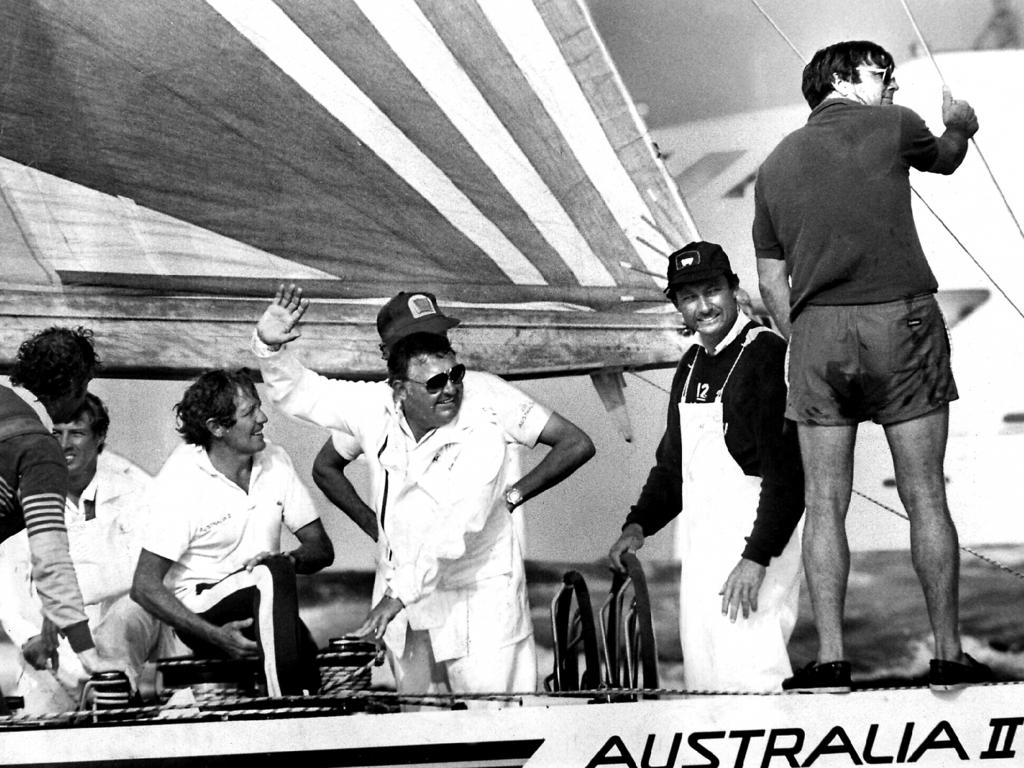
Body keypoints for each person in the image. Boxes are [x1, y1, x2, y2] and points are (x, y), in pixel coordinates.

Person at [753, 40, 987, 692]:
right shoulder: (896, 125)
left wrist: (802, 335)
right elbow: (945, 159)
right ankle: (946, 653)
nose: (892, 88)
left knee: (824, 504)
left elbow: (772, 281)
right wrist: (960, 124)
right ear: (847, 77)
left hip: (816, 333)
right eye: (884, 76)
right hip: (898, 323)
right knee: (926, 495)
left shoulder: (772, 167)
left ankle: (829, 662)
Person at [252, 286, 594, 705]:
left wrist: (512, 496)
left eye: (456, 374)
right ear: (398, 386)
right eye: (433, 381)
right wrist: (270, 347)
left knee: (497, 721)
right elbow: (305, 394)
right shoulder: (374, 405)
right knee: (419, 720)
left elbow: (453, 531)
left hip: (478, 601)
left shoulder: (481, 422)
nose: (450, 388)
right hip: (407, 607)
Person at [607, 242, 804, 693]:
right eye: (689, 297)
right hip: (702, 550)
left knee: (753, 673)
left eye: (713, 290)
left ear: (734, 290)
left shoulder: (766, 355)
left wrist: (755, 559)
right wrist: (638, 525)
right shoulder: (691, 364)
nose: (704, 306)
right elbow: (673, 466)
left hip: (756, 543)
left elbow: (788, 475)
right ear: (677, 306)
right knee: (706, 679)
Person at [311, 291, 596, 545]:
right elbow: (325, 467)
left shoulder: (486, 390)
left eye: (438, 335)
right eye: (419, 342)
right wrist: (376, 528)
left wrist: (511, 498)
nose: (435, 346)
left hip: (486, 577)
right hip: (407, 577)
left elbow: (575, 443)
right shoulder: (378, 405)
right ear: (390, 353)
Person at [130, 369, 333, 696]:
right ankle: (286, 711)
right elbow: (144, 586)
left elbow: (321, 548)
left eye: (259, 407)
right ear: (217, 427)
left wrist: (286, 561)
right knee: (274, 587)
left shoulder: (276, 460)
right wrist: (216, 636)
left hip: (262, 596)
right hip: (200, 611)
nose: (263, 418)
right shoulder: (181, 480)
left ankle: (298, 716)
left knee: (306, 658)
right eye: (250, 412)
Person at [0, 393, 156, 712]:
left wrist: (69, 604)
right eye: (56, 433)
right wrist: (36, 636)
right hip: (47, 652)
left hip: (119, 643)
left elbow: (143, 580)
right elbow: (8, 588)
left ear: (99, 437)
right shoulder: (23, 489)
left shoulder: (136, 491)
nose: (65, 444)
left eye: (78, 433)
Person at [1, 327, 122, 702]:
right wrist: (88, 654)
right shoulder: (39, 451)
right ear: (72, 387)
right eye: (84, 388)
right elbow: (50, 557)